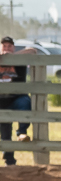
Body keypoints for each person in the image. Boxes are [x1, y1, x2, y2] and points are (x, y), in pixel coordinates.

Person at [0, 35, 28, 166]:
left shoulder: (19, 59)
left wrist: (13, 56)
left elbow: (33, 51)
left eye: (9, 46)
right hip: (1, 101)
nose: (6, 49)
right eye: (4, 46)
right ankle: (10, 160)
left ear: (13, 47)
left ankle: (22, 132)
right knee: (5, 126)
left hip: (16, 98)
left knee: (26, 102)